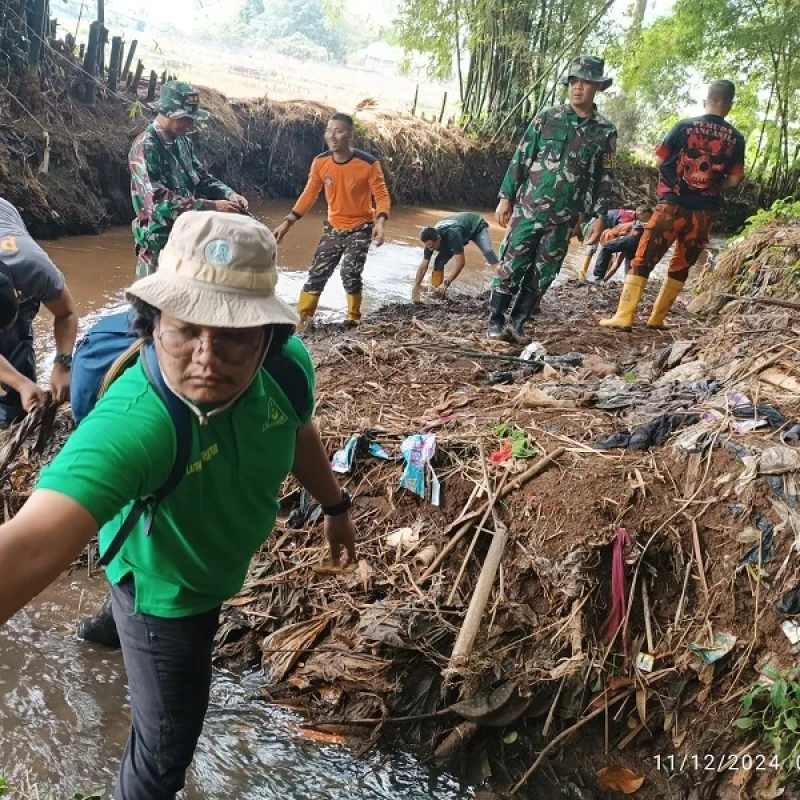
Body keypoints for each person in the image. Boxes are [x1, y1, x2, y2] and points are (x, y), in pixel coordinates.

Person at [0, 211, 357, 798]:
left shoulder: (287, 370)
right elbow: (31, 543)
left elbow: (296, 429)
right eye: (185, 328)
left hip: (190, 557)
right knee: (165, 752)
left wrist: (336, 506)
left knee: (119, 618)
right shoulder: (135, 424)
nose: (206, 357)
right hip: (170, 589)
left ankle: (93, 648)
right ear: (151, 323)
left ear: (269, 336)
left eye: (234, 334)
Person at [489, 56, 617, 344]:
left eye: (585, 82)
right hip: (529, 209)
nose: (578, 88)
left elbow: (605, 177)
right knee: (512, 264)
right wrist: (506, 196)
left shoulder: (606, 131)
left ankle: (518, 323)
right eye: (573, 81)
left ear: (597, 86)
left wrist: (598, 216)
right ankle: (496, 320)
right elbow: (521, 157)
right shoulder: (548, 117)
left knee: (543, 272)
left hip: (564, 218)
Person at [601, 80, 745, 330]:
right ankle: (657, 318)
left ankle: (624, 316)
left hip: (671, 206)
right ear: (729, 105)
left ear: (706, 101)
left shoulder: (684, 126)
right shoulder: (736, 138)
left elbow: (659, 161)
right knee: (683, 262)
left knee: (643, 256)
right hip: (704, 211)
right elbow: (734, 179)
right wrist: (711, 183)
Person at [273, 113, 391, 327]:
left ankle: (354, 318)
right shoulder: (320, 163)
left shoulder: (368, 164)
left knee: (350, 273)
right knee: (317, 274)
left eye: (339, 131)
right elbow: (309, 194)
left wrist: (380, 223)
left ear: (350, 135)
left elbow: (381, 195)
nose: (332, 135)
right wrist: (288, 222)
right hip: (334, 226)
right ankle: (302, 321)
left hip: (361, 226)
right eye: (329, 130)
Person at [129, 80, 249, 276]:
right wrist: (213, 207)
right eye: (186, 119)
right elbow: (158, 204)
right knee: (150, 304)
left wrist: (229, 194)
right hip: (158, 249)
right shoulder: (146, 147)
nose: (191, 125)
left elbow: (201, 178)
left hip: (185, 243)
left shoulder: (182, 141)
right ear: (168, 113)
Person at [0, 198, 78, 427]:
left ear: (19, 293)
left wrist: (62, 364)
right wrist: (21, 383)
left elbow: (67, 313)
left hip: (7, 226)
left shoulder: (35, 269)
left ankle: (16, 413)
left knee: (16, 342)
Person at [412, 212, 498, 301]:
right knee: (438, 262)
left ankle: (500, 278)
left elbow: (460, 262)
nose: (430, 249)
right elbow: (423, 267)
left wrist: (446, 283)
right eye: (427, 246)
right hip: (458, 229)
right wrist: (416, 286)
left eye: (432, 246)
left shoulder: (453, 235)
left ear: (438, 238)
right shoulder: (430, 243)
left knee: (488, 252)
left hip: (476, 225)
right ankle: (437, 291)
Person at [577, 205, 644, 278]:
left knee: (609, 251)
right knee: (594, 248)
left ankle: (601, 275)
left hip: (610, 223)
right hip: (600, 223)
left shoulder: (633, 224)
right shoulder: (627, 223)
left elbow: (619, 254)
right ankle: (583, 274)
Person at [591, 206, 653, 281]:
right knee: (628, 261)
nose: (649, 217)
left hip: (633, 239)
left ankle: (598, 277)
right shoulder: (633, 220)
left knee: (607, 248)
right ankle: (627, 281)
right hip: (635, 241)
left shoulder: (640, 221)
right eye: (649, 216)